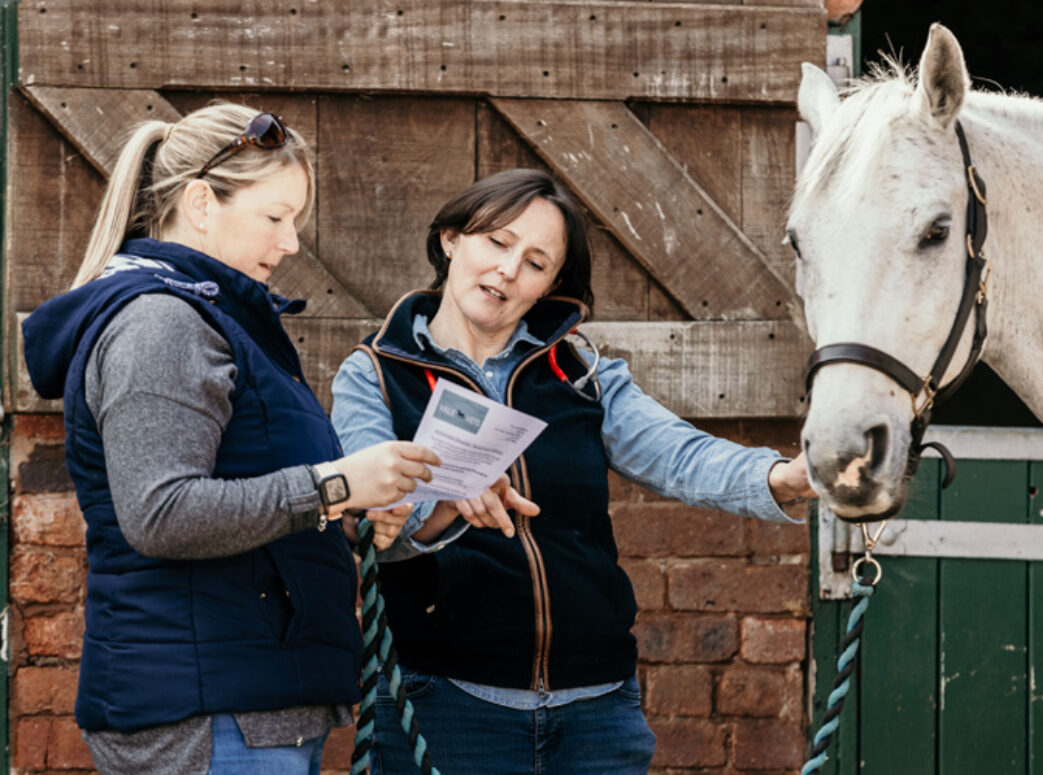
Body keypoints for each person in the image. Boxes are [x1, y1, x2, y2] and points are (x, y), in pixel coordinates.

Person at [20, 103, 495, 774]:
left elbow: (256, 496)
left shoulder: (217, 318)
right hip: (208, 713)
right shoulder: (161, 324)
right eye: (275, 217)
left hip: (243, 701)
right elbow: (160, 513)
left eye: (294, 221)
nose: (292, 242)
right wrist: (338, 483)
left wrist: (353, 506)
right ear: (200, 203)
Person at [330, 167, 816, 774]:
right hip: (443, 703)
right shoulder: (373, 373)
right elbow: (374, 529)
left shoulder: (581, 371)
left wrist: (786, 478)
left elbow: (678, 454)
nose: (509, 270)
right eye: (497, 242)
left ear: (552, 283)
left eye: (536, 262)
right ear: (452, 239)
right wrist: (448, 504)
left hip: (597, 711)